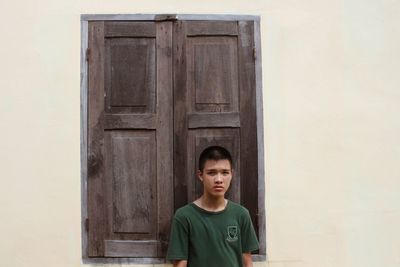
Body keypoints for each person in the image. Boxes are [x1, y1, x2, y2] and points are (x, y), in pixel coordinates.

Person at [167, 146, 259, 267]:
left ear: (231, 174)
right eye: (211, 173)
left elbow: (247, 260)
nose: (219, 179)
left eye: (225, 172)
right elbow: (180, 264)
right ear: (200, 175)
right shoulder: (184, 216)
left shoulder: (241, 214)